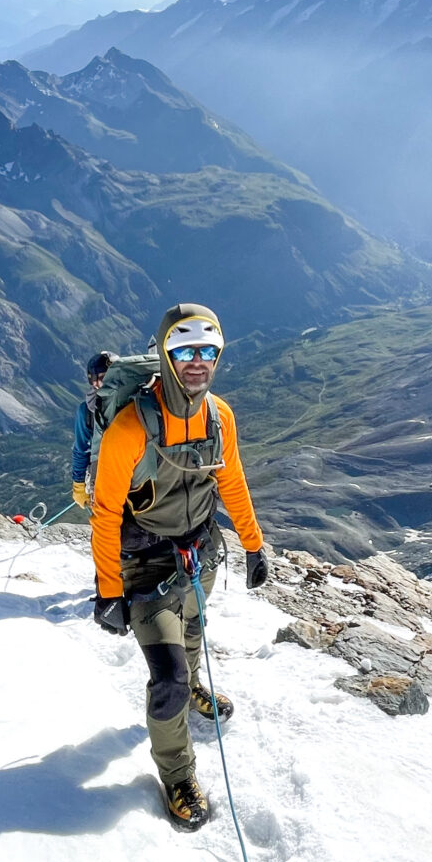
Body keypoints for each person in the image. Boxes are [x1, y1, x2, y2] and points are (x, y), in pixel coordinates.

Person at [87, 303, 270, 830]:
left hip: (199, 549)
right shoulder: (130, 427)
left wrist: (255, 545)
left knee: (192, 625)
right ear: (166, 355)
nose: (198, 362)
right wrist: (109, 591)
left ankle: (193, 687)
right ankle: (178, 775)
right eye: (186, 351)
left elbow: (231, 481)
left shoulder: (219, 416)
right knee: (165, 677)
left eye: (208, 350)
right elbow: (104, 510)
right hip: (144, 562)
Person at [69, 352, 113, 508]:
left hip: (106, 479)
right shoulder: (139, 399)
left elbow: (81, 449)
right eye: (104, 378)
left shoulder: (87, 410)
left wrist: (79, 485)